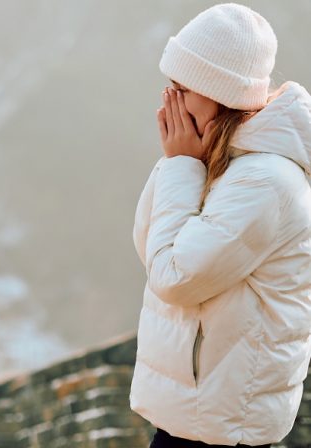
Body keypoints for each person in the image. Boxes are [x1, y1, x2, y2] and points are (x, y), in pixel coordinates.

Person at [130, 3, 311, 447]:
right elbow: (149, 246)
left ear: (219, 93)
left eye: (182, 88)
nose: (168, 100)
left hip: (223, 431)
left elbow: (173, 278)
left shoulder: (267, 181)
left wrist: (180, 165)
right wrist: (181, 164)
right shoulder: (222, 162)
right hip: (190, 419)